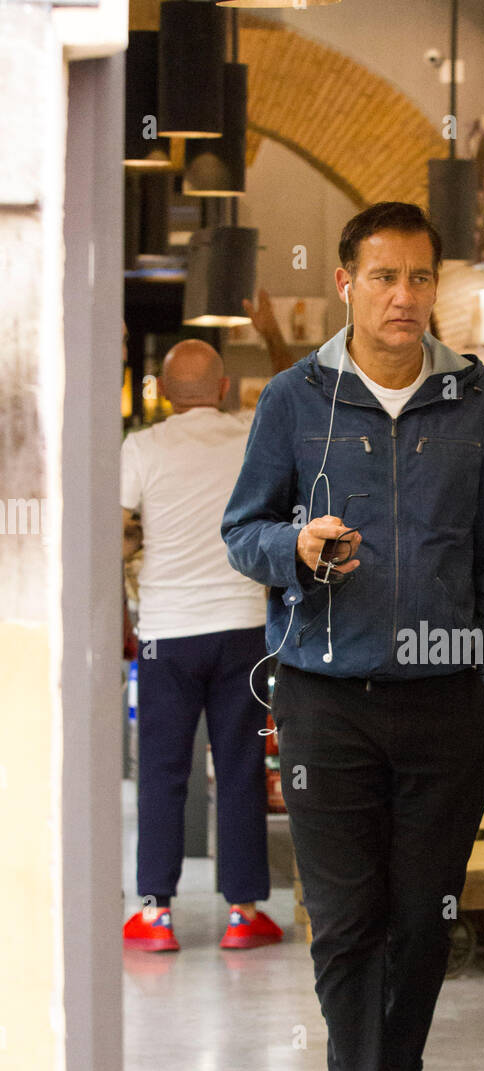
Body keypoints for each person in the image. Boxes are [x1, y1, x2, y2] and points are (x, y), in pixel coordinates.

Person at [223, 202, 484, 1071]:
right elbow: (244, 528)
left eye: (419, 277)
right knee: (348, 919)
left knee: (425, 920)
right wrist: (294, 548)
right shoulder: (293, 400)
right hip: (324, 696)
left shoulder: (480, 404)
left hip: (447, 701)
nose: (404, 296)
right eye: (384, 276)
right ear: (346, 284)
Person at [121, 292, 292, 953]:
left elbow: (114, 535)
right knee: (242, 767)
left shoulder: (141, 447)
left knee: (164, 770)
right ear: (222, 388)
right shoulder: (252, 432)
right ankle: (243, 913)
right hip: (245, 629)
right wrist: (272, 334)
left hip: (166, 631)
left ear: (162, 393)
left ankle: (156, 914)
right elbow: (292, 388)